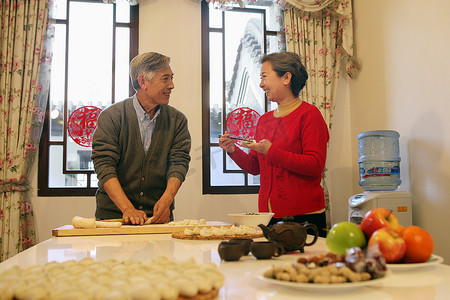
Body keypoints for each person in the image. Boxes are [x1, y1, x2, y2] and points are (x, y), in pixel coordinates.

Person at [219, 51, 329, 237]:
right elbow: (255, 167)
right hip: (268, 216)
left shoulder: (309, 115)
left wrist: (271, 150)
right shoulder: (264, 121)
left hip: (304, 216)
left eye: (264, 77)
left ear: (286, 78)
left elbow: (315, 165)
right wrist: (233, 150)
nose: (261, 84)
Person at [91, 52, 191, 225]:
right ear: (143, 81)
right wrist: (127, 209)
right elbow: (104, 165)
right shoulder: (111, 117)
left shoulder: (177, 120)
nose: (172, 85)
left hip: (157, 218)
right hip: (114, 218)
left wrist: (166, 200)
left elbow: (179, 163)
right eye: (165, 79)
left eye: (171, 78)